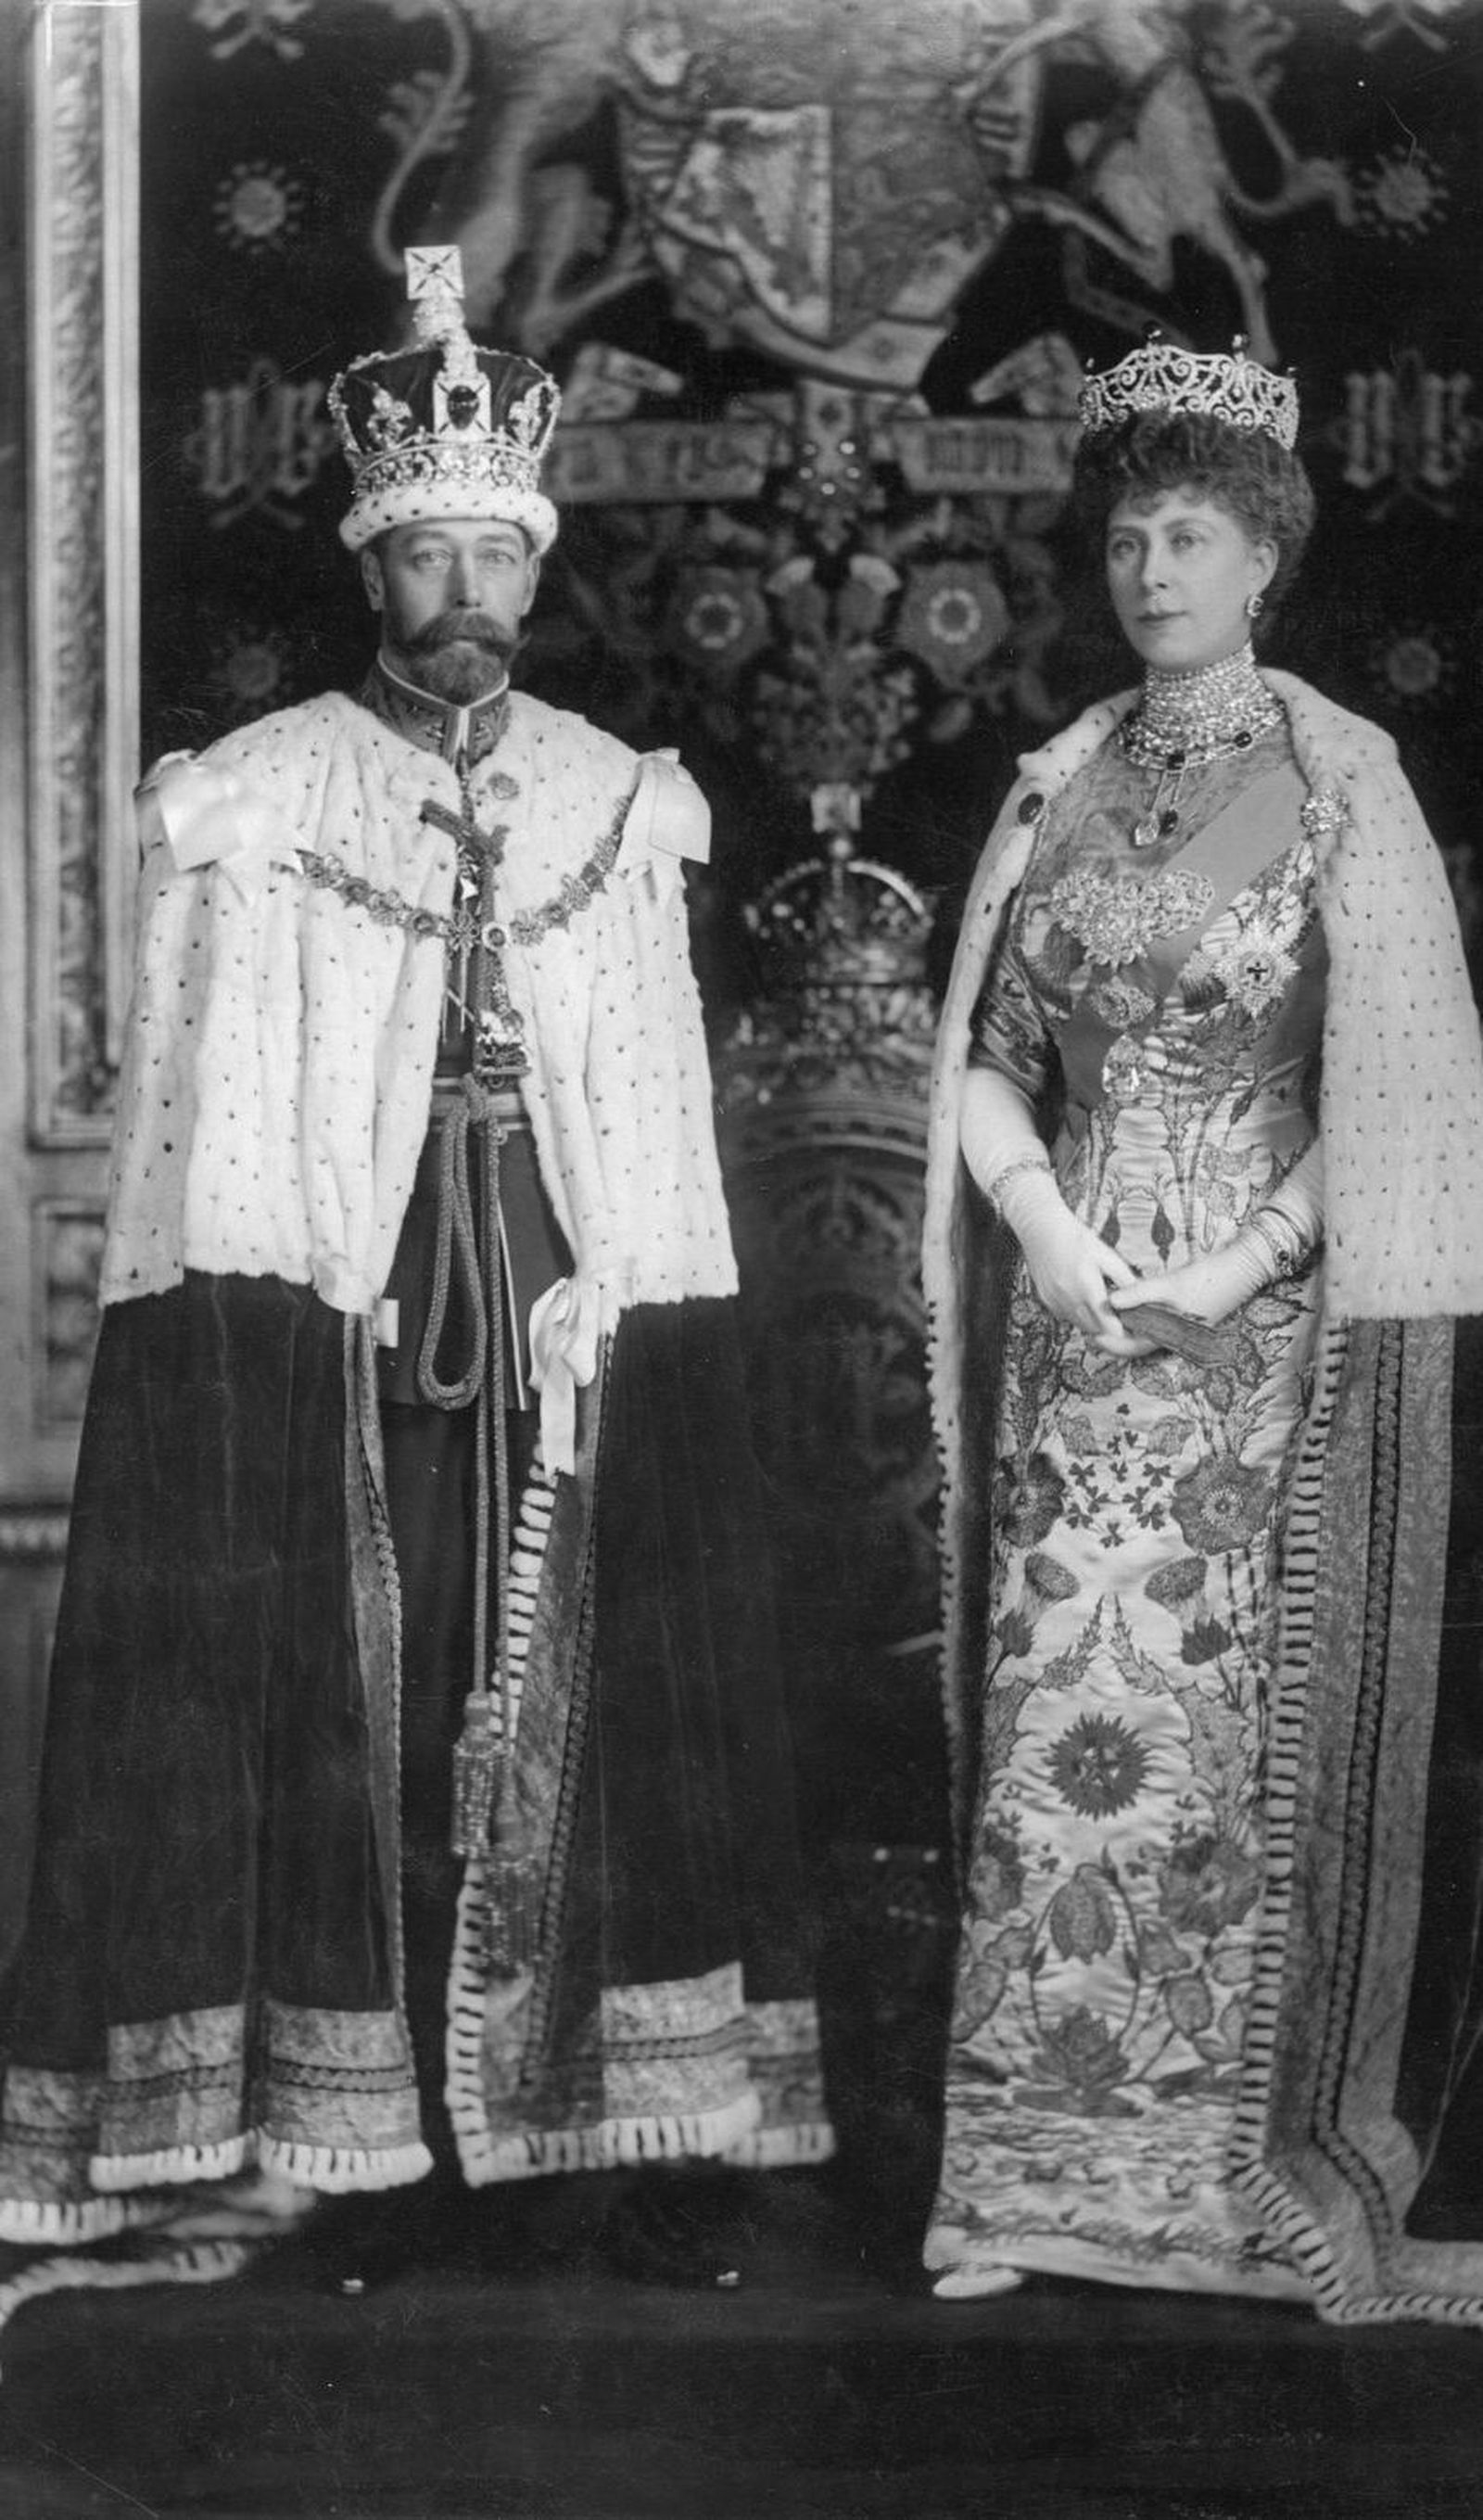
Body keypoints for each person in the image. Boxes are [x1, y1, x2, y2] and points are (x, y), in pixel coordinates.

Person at [0, 248, 830, 2322]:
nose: (462, 594)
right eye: (427, 557)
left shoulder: (613, 803)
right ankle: (356, 2135)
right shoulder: (263, 793)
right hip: (353, 1334)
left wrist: (610, 1291)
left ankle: (618, 2132)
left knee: (594, 1695)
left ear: (529, 573)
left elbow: (636, 1112)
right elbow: (226, 1144)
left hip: (566, 1313)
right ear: (374, 567)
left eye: (493, 557)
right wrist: (321, 1302)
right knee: (357, 1702)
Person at [920, 335, 1483, 2322]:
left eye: (1192, 533)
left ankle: (1217, 2189)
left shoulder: (1333, 786)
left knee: (1213, 1755)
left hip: (1251, 1357)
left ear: (1263, 559)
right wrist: (1034, 1222)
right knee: (1048, 1750)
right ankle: (1019, 2183)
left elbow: (1399, 1092)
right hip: (1069, 1339)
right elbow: (986, 1060)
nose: (1151, 567)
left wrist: (1237, 1261)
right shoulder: (1058, 792)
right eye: (1129, 533)